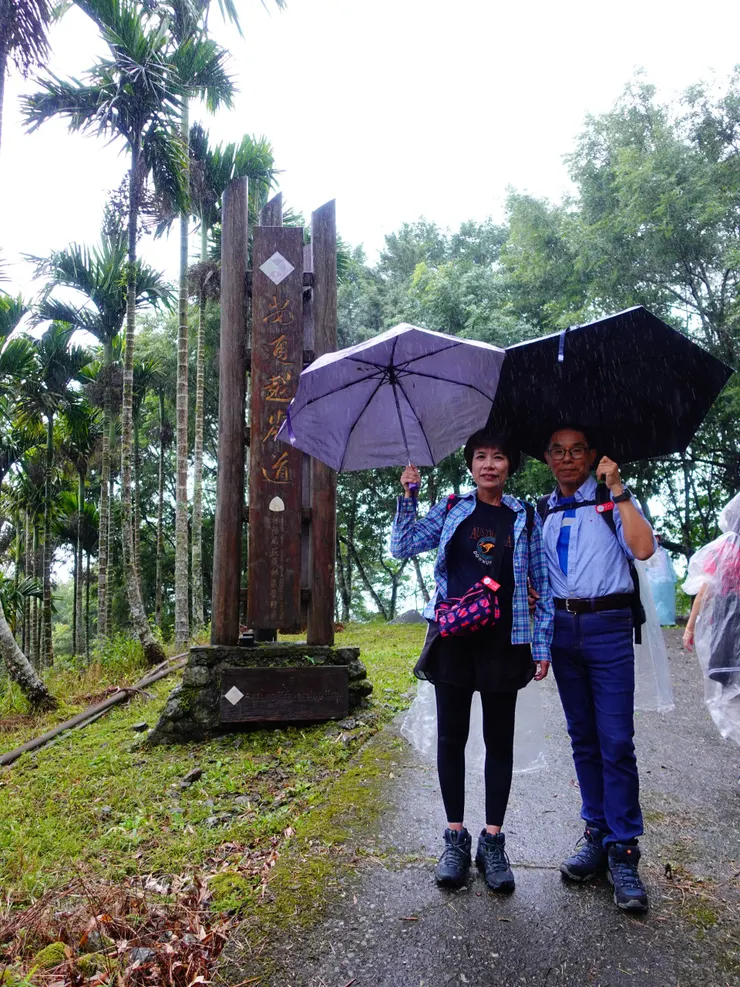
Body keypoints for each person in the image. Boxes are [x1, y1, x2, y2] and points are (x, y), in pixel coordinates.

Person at [390, 429, 553, 893]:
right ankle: (456, 838)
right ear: (470, 465)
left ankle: (493, 842)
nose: (489, 465)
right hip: (455, 639)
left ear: (510, 466)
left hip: (505, 642)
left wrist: (540, 646)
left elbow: (540, 582)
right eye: (481, 457)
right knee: (451, 738)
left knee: (499, 742)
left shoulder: (524, 516)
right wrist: (409, 494)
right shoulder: (451, 509)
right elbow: (402, 545)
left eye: (498, 457)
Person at [538, 426, 656, 913]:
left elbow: (644, 548)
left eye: (577, 451)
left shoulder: (611, 499)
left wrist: (619, 490)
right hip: (563, 629)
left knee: (616, 740)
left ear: (591, 456)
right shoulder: (542, 510)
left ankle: (624, 849)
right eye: (558, 451)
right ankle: (597, 832)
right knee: (582, 736)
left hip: (608, 625)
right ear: (546, 458)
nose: (568, 459)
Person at [683, 493, 740, 746]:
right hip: (729, 629)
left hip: (727, 633)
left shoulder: (722, 549)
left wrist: (689, 627)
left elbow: (704, 591)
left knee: (732, 694)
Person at [644, 534, 677, 625]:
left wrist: (673, 577)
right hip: (652, 580)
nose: (656, 539)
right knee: (654, 600)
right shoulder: (648, 550)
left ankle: (667, 620)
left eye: (657, 537)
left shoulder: (664, 552)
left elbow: (669, 565)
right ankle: (654, 621)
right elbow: (645, 565)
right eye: (654, 537)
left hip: (664, 579)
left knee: (665, 601)